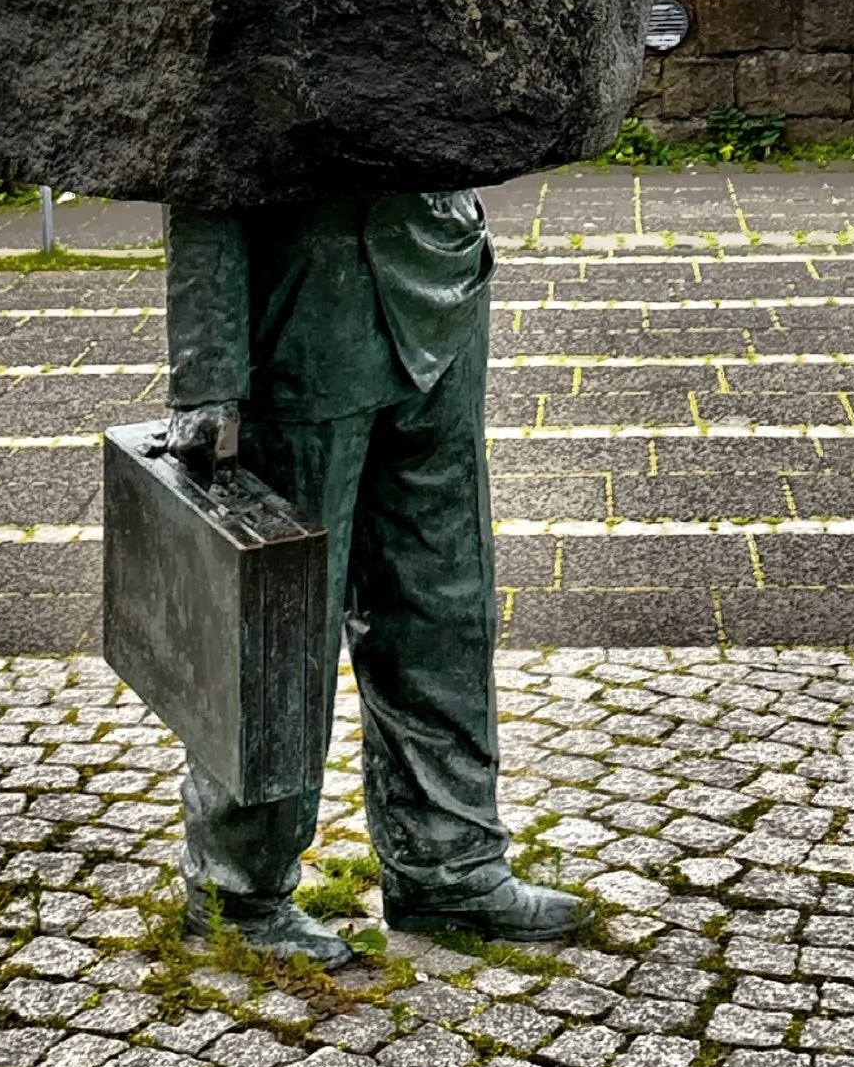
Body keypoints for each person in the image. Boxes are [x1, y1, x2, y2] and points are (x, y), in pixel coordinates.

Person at [163, 187, 582, 966]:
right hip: (299, 317)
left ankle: (449, 863)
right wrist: (206, 370)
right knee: (281, 628)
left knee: (444, 600)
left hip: (440, 290)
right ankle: (238, 892)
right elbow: (202, 160)